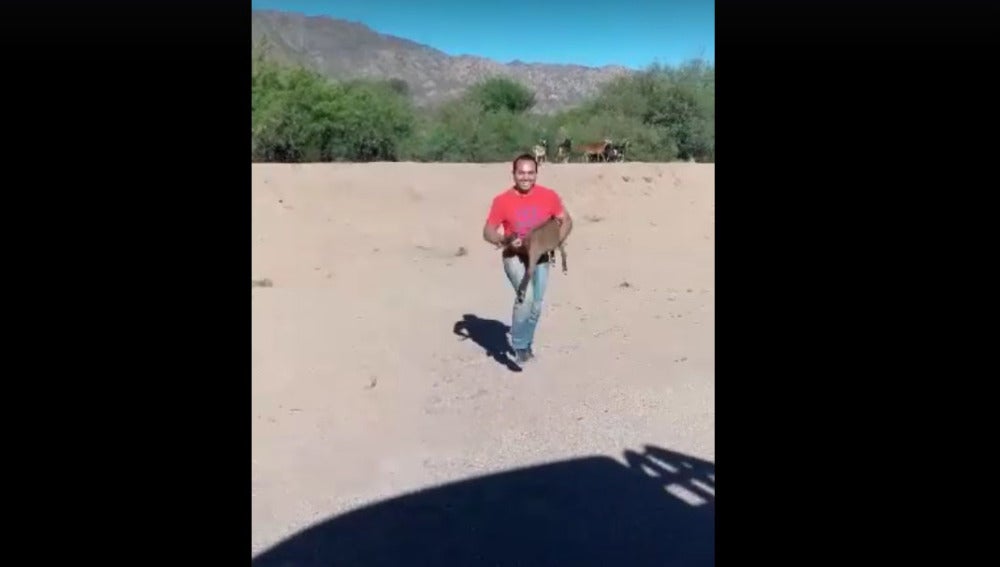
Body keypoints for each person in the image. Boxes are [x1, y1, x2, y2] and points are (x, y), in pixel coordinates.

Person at [482, 153, 573, 364]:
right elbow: (488, 231)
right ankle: (518, 343)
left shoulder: (549, 196)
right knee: (527, 298)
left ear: (536, 174)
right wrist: (503, 239)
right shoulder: (502, 201)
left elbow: (566, 220)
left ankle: (525, 343)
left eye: (530, 173)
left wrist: (555, 241)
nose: (526, 177)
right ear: (513, 174)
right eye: (521, 173)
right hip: (514, 256)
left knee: (536, 305)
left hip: (540, 256)